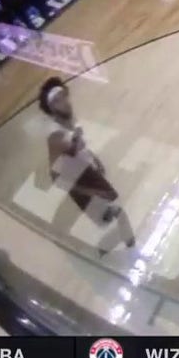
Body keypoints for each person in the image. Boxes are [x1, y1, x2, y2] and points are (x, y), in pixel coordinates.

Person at [39, 78, 136, 256]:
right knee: (111, 209)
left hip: (85, 171)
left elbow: (79, 147)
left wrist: (93, 158)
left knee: (109, 210)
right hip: (75, 180)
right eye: (58, 100)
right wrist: (89, 191)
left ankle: (117, 242)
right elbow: (63, 163)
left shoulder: (69, 119)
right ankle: (120, 243)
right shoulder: (55, 133)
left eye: (64, 96)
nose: (65, 102)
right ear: (51, 107)